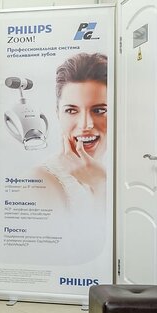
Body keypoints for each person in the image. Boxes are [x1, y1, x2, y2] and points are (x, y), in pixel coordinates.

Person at [34, 52, 109, 212]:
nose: (85, 125)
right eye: (71, 110)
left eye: (99, 110)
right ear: (58, 113)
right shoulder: (41, 182)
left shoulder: (118, 169)